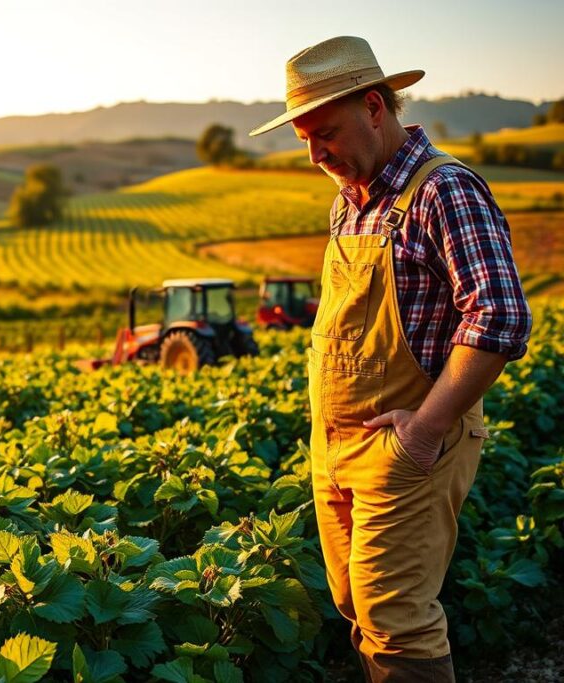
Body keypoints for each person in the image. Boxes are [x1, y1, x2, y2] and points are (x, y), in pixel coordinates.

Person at [249, 36, 532, 682]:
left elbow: (500, 315)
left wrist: (426, 429)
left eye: (325, 132)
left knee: (398, 624)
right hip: (335, 450)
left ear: (375, 107)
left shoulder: (444, 191)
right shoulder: (348, 204)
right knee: (357, 608)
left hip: (406, 449)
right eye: (303, 139)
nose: (316, 152)